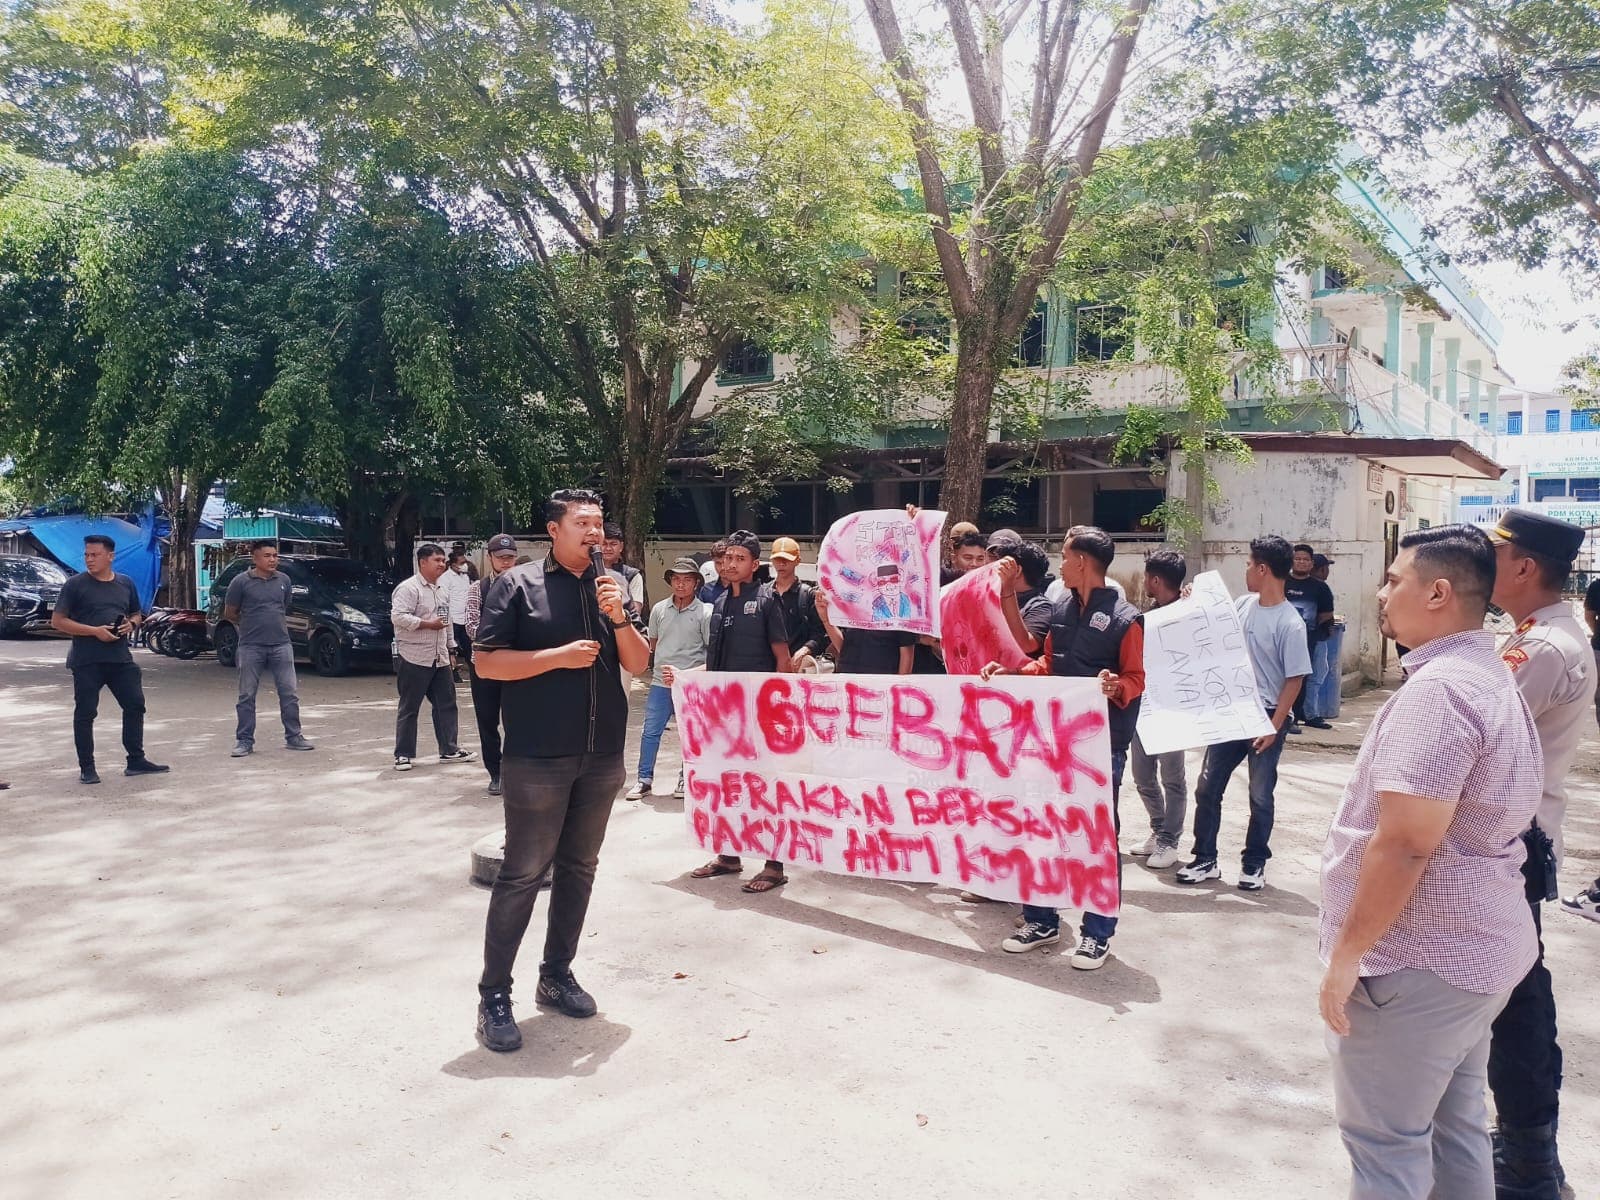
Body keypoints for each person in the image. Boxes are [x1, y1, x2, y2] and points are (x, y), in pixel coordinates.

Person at [1319, 524, 1541, 1200]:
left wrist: (1346, 958)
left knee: (1387, 1147)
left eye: (1393, 579)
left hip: (1417, 962)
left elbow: (1409, 841)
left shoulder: (1441, 691)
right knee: (1455, 1129)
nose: (1382, 593)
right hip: (1475, 958)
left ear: (1438, 592)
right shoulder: (1486, 674)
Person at [471, 489, 651, 1052]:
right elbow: (485, 661)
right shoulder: (516, 585)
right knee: (523, 874)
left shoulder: (611, 587)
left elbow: (640, 662)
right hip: (538, 756)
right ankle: (494, 995)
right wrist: (554, 658)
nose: (594, 532)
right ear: (554, 530)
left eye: (599, 523)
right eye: (582, 522)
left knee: (579, 868)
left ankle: (556, 975)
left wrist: (619, 617)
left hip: (601, 756)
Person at [1483, 511, 1595, 1197]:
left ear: (1524, 568)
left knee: (1516, 1004)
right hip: (1520, 839)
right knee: (1518, 996)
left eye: (1495, 555)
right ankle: (1527, 1148)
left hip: (1510, 844)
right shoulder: (1537, 635)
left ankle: (1529, 1162)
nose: (1483, 566)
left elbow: (1478, 732)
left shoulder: (1543, 648)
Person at [981, 525, 1143, 970]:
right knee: (1042, 825)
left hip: (1100, 747)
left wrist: (1115, 687)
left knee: (1097, 837)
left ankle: (1097, 932)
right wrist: (1013, 674)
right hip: (1054, 740)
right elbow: (1047, 663)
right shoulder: (1061, 609)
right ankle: (1041, 918)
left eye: (1067, 557)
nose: (1061, 564)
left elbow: (1136, 679)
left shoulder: (1126, 619)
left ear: (1084, 563)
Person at [1177, 536, 1311, 891]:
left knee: (1260, 794)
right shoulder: (1242, 605)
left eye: (1250, 564)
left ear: (1264, 569)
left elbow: (1294, 680)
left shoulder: (1289, 623)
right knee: (1207, 787)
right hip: (1231, 710)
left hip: (1266, 715)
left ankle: (1254, 864)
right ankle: (1204, 858)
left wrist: (1274, 725)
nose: (1246, 570)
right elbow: (1214, 633)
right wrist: (1193, 605)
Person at [687, 530, 794, 893]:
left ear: (754, 565)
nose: (730, 564)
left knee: (765, 787)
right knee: (727, 783)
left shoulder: (767, 601)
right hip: (723, 714)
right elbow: (715, 661)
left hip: (760, 714)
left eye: (739, 559)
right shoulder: (718, 603)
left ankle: (774, 865)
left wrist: (781, 712)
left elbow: (783, 659)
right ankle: (729, 856)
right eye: (727, 558)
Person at [50, 534, 168, 784]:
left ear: (110, 556)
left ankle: (136, 760)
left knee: (135, 705)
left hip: (120, 659)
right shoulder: (74, 585)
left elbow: (137, 614)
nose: (89, 560)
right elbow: (58, 621)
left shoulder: (125, 583)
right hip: (87, 660)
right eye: (86, 555)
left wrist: (131, 624)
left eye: (95, 555)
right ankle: (88, 768)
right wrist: (94, 631)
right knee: (86, 713)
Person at [624, 558, 711, 801]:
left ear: (696, 583)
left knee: (689, 734)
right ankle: (644, 779)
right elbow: (653, 645)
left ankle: (686, 777)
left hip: (691, 685)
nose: (681, 584)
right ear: (670, 582)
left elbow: (710, 652)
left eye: (686, 580)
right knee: (650, 731)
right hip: (661, 683)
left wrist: (688, 674)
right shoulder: (660, 610)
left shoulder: (706, 612)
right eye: (676, 579)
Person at [390, 543, 476, 772]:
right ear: (422, 562)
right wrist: (427, 625)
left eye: (442, 560)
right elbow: (398, 617)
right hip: (414, 656)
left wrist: (451, 649)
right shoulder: (408, 588)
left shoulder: (442, 589)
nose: (442, 564)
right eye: (437, 560)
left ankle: (449, 749)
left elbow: (445, 622)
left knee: (446, 704)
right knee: (410, 707)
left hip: (439, 658)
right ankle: (403, 754)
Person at [224, 539, 313, 757]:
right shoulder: (240, 582)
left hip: (281, 645)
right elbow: (230, 613)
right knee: (246, 695)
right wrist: (252, 624)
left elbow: (284, 605)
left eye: (275, 555)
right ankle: (244, 740)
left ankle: (294, 736)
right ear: (255, 558)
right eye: (267, 555)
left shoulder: (284, 580)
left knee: (289, 693)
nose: (273, 559)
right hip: (250, 646)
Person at [1129, 549, 1188, 871]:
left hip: (1175, 712)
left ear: (1154, 579)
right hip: (1146, 707)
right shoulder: (1147, 615)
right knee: (1142, 776)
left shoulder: (1190, 612)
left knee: (1173, 779)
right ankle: (1158, 828)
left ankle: (1170, 840)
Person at [465, 534, 520, 796]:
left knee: (517, 720)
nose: (506, 563)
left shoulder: (527, 587)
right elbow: (472, 625)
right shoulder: (478, 588)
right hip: (485, 665)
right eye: (501, 558)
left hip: (516, 666)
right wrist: (504, 639)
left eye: (510, 558)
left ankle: (514, 771)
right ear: (490, 558)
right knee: (487, 719)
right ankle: (495, 772)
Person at [1285, 542, 1335, 731]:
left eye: (1305, 559)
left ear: (1311, 563)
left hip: (1307, 642)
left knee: (1300, 681)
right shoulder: (1281, 582)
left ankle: (1293, 719)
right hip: (1280, 641)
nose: (1301, 562)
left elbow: (1326, 614)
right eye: (1297, 558)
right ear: (1291, 561)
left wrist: (1314, 634)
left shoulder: (1320, 588)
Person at [816, 587, 915, 675]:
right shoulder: (853, 603)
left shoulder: (901, 607)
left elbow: (905, 666)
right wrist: (826, 620)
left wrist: (896, 691)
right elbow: (844, 649)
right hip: (848, 683)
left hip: (880, 687)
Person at [767, 536, 828, 672]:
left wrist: (806, 649)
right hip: (766, 668)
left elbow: (821, 634)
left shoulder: (808, 595)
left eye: (787, 559)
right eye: (777, 559)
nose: (782, 563)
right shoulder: (763, 593)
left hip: (798, 669)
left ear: (797, 561)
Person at [601, 522, 646, 618]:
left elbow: (635, 613)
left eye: (613, 544)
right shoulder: (587, 573)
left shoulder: (632, 575)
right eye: (604, 544)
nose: (608, 548)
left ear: (621, 546)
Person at [444, 549, 474, 681]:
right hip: (453, 619)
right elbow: (442, 601)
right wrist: (444, 620)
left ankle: (475, 673)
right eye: (462, 562)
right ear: (453, 564)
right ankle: (452, 675)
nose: (464, 565)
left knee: (470, 648)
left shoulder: (465, 577)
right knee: (451, 649)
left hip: (465, 619)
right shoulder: (445, 578)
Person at [698, 538, 730, 604]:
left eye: (725, 562)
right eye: (718, 563)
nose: (722, 567)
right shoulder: (706, 590)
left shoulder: (743, 588)